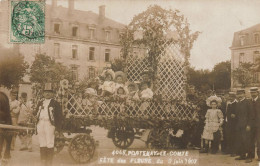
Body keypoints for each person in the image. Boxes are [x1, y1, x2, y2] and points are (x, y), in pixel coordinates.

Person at [35, 83, 63, 166]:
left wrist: (58, 129)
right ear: (43, 93)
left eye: (49, 92)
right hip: (40, 123)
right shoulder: (40, 102)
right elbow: (36, 112)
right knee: (42, 142)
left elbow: (59, 117)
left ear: (53, 94)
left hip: (49, 124)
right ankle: (43, 161)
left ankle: (49, 162)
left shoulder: (55, 103)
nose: (47, 94)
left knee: (49, 143)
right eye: (46, 92)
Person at [234, 89, 254, 163]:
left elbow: (251, 115)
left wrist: (249, 125)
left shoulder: (248, 102)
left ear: (244, 94)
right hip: (239, 125)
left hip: (246, 125)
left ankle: (249, 156)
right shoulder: (238, 103)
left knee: (247, 141)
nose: (239, 95)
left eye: (241, 94)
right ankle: (242, 155)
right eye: (238, 94)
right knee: (240, 140)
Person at [0, 91, 13, 163]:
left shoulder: (2, 96)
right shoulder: (3, 95)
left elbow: (4, 112)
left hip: (3, 122)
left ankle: (5, 157)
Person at [225, 92, 237, 157]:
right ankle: (230, 150)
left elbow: (239, 113)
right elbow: (227, 113)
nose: (230, 98)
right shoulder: (229, 104)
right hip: (228, 122)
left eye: (232, 97)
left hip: (234, 123)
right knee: (229, 136)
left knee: (234, 137)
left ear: (234, 97)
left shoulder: (236, 103)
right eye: (230, 97)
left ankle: (234, 151)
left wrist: (235, 115)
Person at [249, 87, 260, 161]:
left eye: (254, 92)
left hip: (259, 124)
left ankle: (259, 156)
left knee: (259, 140)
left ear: (257, 93)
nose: (253, 94)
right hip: (251, 125)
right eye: (251, 93)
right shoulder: (249, 102)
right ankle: (251, 156)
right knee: (250, 140)